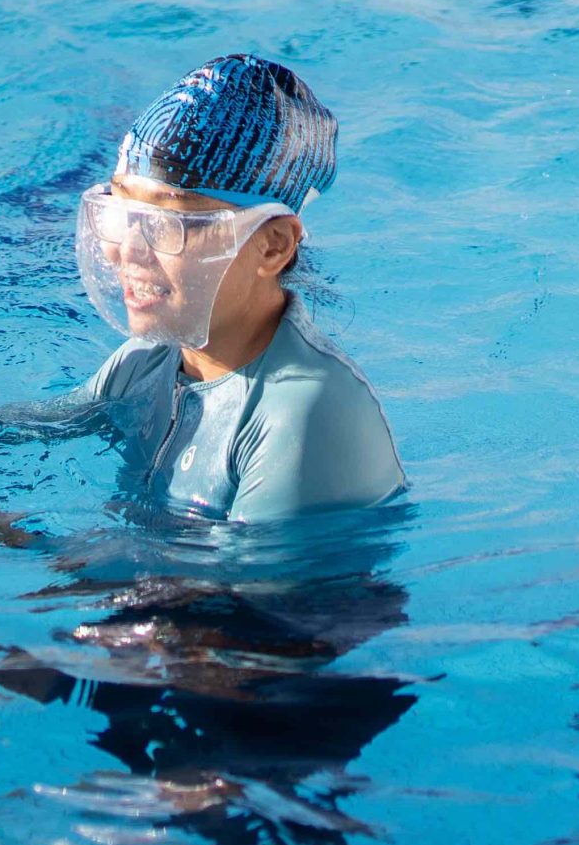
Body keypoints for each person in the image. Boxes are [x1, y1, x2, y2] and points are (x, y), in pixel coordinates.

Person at [56, 55, 405, 525]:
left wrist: (13, 541)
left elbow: (237, 595)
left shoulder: (303, 410)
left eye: (169, 224)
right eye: (123, 215)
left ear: (272, 246)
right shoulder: (149, 360)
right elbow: (22, 430)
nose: (127, 253)